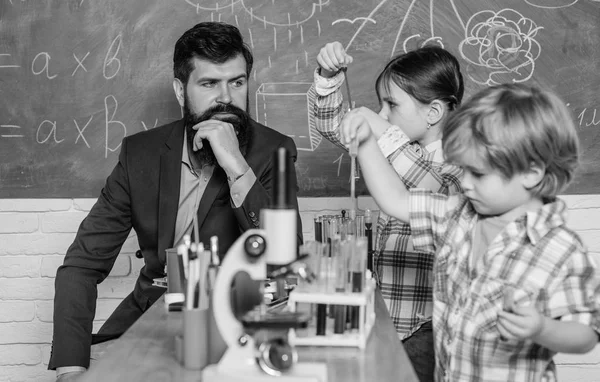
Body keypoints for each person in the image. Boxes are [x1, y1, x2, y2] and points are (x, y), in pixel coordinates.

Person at [49, 22, 303, 381]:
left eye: (237, 82)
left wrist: (236, 167)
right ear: (180, 90)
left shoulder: (274, 151)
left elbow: (285, 257)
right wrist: (70, 370)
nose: (227, 98)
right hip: (148, 323)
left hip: (235, 330)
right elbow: (81, 265)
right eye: (209, 83)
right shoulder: (140, 154)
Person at [340, 82, 600, 381]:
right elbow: (395, 200)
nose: (464, 183)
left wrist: (542, 328)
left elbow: (586, 334)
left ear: (531, 173)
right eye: (462, 169)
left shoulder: (560, 248)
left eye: (477, 173)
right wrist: (367, 143)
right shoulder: (457, 215)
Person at [311, 41, 464, 380]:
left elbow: (433, 184)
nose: (381, 114)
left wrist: (382, 132)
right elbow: (335, 125)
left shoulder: (464, 159)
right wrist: (328, 76)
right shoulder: (395, 144)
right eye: (381, 105)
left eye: (391, 104)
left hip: (428, 330)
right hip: (390, 320)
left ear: (434, 113)